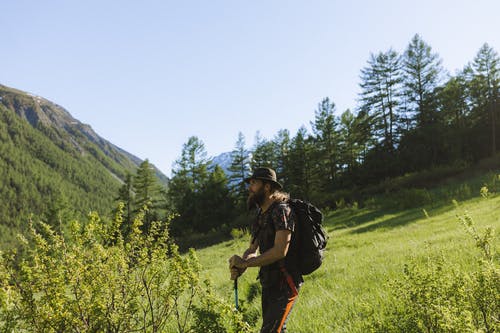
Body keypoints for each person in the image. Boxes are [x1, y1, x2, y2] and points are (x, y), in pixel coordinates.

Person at [229, 167, 303, 333]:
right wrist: (241, 266)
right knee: (276, 329)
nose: (250, 188)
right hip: (269, 281)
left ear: (267, 187)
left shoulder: (282, 211)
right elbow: (252, 248)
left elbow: (279, 251)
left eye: (254, 183)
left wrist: (246, 263)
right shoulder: (260, 215)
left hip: (286, 283)